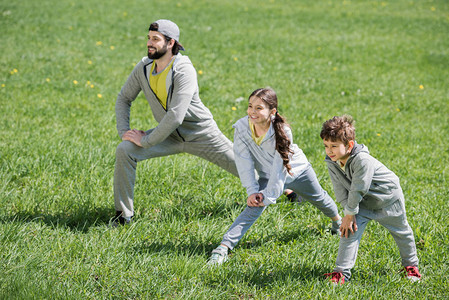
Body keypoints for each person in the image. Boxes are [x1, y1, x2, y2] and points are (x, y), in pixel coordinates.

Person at [113, 19, 238, 224]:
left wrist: (146, 141)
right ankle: (123, 217)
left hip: (201, 134)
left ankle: (292, 187)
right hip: (168, 135)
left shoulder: (183, 70)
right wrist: (124, 131)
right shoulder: (144, 68)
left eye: (156, 39)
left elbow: (176, 116)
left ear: (171, 43)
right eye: (148, 38)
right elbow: (124, 98)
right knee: (125, 150)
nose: (149, 43)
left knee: (248, 172)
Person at [207, 88, 342, 265]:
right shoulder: (241, 128)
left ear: (272, 112)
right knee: (253, 207)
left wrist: (268, 196)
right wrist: (252, 191)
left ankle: (337, 221)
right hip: (268, 175)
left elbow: (280, 169)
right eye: (250, 106)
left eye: (259, 108)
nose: (252, 112)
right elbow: (243, 162)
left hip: (297, 171)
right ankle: (223, 248)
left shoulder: (283, 131)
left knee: (320, 199)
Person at [320, 115, 421, 285]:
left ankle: (411, 266)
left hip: (387, 199)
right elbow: (340, 189)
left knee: (402, 232)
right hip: (362, 203)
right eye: (326, 146)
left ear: (349, 145)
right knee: (348, 231)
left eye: (334, 146)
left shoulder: (362, 160)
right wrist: (348, 213)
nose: (329, 151)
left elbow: (359, 187)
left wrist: (350, 212)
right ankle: (342, 273)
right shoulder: (332, 161)